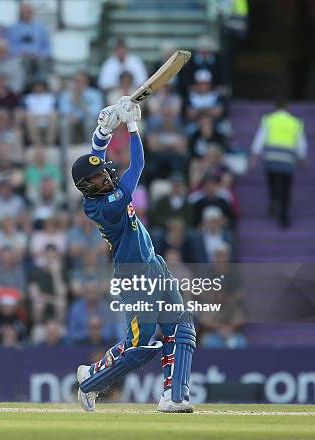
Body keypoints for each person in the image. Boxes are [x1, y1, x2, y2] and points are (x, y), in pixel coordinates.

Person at [71, 98, 195, 413]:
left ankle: (174, 396)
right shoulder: (103, 206)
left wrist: (102, 132)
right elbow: (137, 166)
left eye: (103, 175)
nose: (105, 178)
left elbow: (93, 161)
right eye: (98, 180)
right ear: (87, 188)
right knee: (139, 347)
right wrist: (132, 127)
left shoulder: (99, 189)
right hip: (134, 277)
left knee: (181, 329)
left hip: (155, 266)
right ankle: (89, 381)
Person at [250, 99, 307, 228]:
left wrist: (254, 156)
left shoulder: (269, 119)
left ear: (275, 108)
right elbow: (301, 143)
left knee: (272, 182)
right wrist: (302, 159)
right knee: (286, 187)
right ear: (288, 108)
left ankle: (274, 198)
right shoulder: (295, 122)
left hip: (271, 157)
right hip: (287, 159)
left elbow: (260, 138)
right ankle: (284, 216)